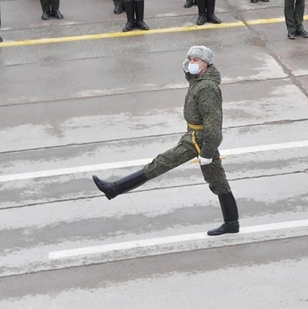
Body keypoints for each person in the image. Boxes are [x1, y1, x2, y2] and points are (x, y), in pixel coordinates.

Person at [92, 46, 240, 234]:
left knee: (161, 163)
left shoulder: (207, 87)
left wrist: (208, 152)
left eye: (195, 60)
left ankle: (114, 189)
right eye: (190, 59)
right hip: (195, 136)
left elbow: (213, 123)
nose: (191, 63)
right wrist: (187, 70)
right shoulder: (199, 81)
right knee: (217, 179)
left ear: (206, 64)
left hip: (199, 140)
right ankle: (232, 223)